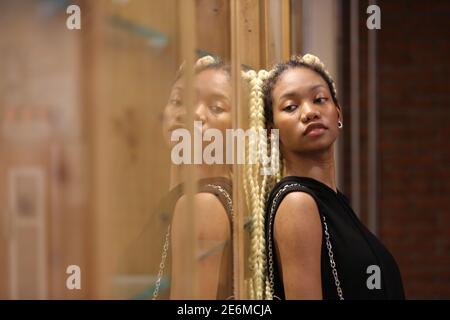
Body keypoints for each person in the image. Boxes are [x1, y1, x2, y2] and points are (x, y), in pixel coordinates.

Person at [247, 54, 405, 299]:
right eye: (291, 106)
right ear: (271, 132)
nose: (310, 112)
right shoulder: (297, 203)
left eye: (319, 99)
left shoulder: (333, 200)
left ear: (338, 113)